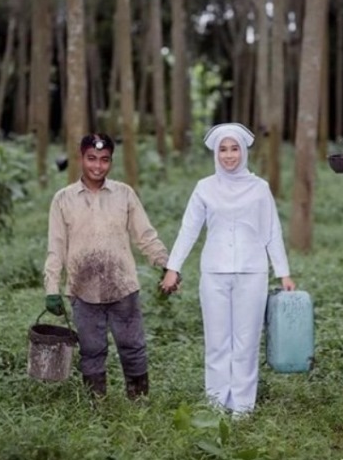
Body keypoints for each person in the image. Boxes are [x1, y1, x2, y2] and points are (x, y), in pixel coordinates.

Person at [160, 122, 294, 419]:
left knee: (246, 342)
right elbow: (188, 230)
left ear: (244, 152)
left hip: (252, 273)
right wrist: (173, 268)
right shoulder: (204, 188)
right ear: (216, 153)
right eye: (223, 149)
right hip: (214, 273)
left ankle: (242, 408)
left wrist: (282, 272)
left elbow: (272, 231)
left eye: (234, 149)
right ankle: (216, 404)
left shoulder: (260, 189)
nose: (229, 156)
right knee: (217, 342)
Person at [44, 133, 173, 400]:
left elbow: (145, 236)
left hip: (122, 286)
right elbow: (56, 247)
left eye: (104, 160)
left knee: (133, 347)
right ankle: (96, 405)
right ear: (81, 158)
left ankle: (139, 401)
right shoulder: (63, 199)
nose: (97, 166)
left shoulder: (124, 194)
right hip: (83, 289)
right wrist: (51, 287)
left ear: (111, 162)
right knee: (91, 349)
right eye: (91, 159)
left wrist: (165, 264)